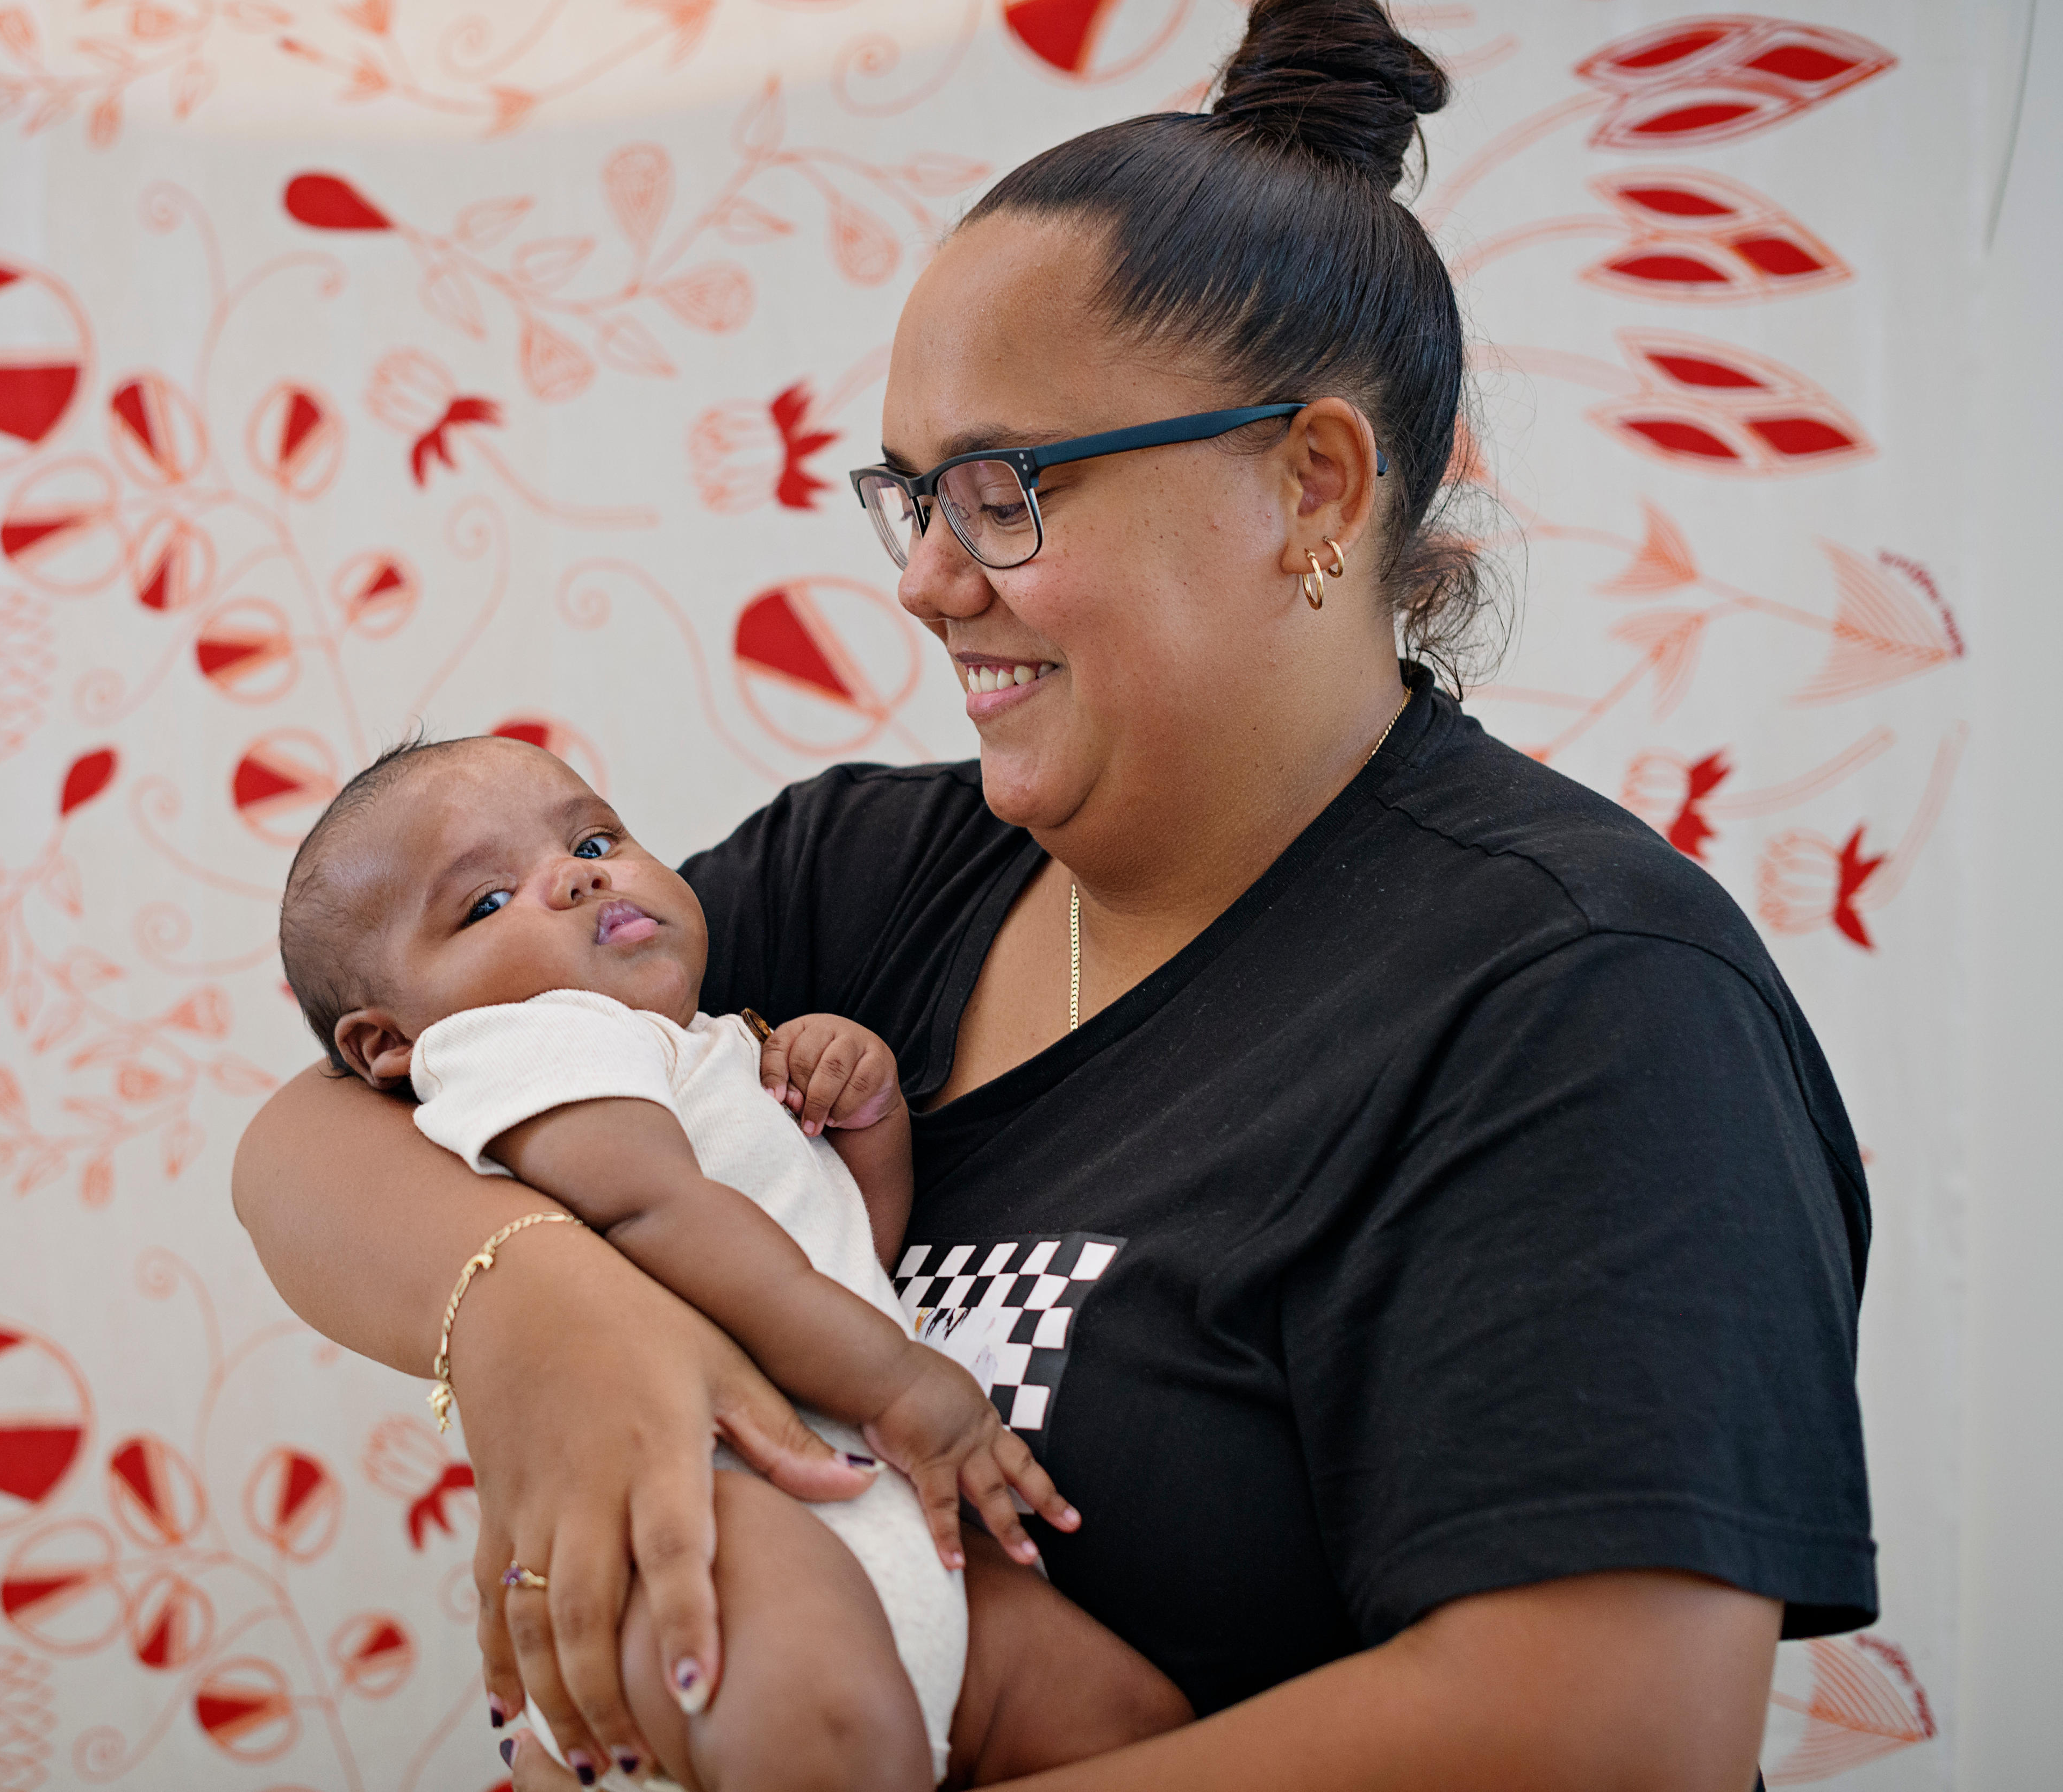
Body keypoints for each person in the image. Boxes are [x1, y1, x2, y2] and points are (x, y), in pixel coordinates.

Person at [233, 2, 1878, 1787]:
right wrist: (543, 1308)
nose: (929, 579)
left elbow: (1605, 1734)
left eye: (1006, 488)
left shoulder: (1585, 998)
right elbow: (319, 1135)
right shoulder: (864, 875)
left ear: (1310, 487)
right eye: (911, 494)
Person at [273, 733, 1190, 1785]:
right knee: (826, 1735)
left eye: (593, 836)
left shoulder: (699, 1044)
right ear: (387, 1043)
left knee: (1128, 1721)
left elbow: (840, 1253)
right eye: (486, 902)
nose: (578, 874)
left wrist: (863, 1117)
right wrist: (893, 1378)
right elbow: (657, 1212)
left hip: (848, 1501)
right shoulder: (521, 1044)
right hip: (712, 1504)